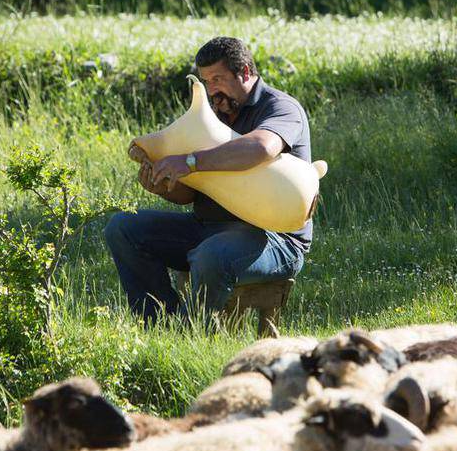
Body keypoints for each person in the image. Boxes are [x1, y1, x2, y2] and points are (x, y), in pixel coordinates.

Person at [104, 36, 313, 325]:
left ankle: (192, 333)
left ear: (246, 72)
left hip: (274, 240)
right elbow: (189, 195)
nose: (212, 90)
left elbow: (262, 147)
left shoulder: (280, 107)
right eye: (205, 81)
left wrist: (190, 161)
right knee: (123, 227)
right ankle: (160, 326)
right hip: (209, 229)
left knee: (210, 255)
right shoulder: (215, 113)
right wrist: (164, 184)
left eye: (218, 78)